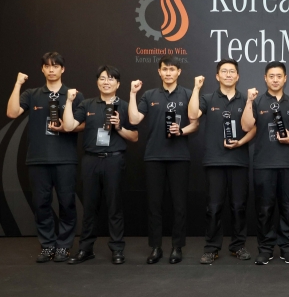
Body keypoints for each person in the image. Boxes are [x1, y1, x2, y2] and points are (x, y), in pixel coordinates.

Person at [6, 52, 84, 263]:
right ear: (42, 69)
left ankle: (64, 246)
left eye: (55, 66)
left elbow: (83, 123)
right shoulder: (32, 93)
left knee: (67, 203)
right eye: (47, 66)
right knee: (41, 203)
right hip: (38, 159)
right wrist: (17, 83)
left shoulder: (73, 94)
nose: (51, 69)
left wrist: (67, 128)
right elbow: (12, 113)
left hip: (65, 158)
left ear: (62, 69)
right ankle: (48, 245)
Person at [63, 66, 138, 264]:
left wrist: (119, 127)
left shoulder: (124, 105)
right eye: (103, 78)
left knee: (115, 206)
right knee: (89, 207)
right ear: (97, 82)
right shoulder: (87, 104)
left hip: (114, 159)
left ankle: (117, 250)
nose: (106, 82)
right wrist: (69, 102)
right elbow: (69, 126)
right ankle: (85, 249)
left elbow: (135, 137)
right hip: (90, 160)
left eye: (111, 79)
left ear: (118, 84)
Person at [128, 54, 199, 264]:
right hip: (153, 156)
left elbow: (195, 122)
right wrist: (133, 94)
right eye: (164, 69)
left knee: (179, 205)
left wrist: (182, 130)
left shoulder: (187, 93)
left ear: (179, 72)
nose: (168, 73)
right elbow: (133, 119)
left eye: (172, 69)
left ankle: (177, 247)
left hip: (179, 157)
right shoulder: (149, 95)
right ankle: (156, 247)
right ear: (159, 72)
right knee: (154, 205)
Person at [188, 59, 256, 264]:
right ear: (217, 76)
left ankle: (238, 246)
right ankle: (211, 247)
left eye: (232, 71)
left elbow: (252, 127)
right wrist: (196, 88)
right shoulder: (208, 98)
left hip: (239, 161)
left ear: (238, 76)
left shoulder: (246, 98)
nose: (228, 74)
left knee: (239, 206)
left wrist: (240, 143)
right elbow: (192, 115)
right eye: (224, 71)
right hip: (214, 161)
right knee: (214, 207)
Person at [241, 61, 289, 265]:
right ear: (265, 78)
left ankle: (287, 248)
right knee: (264, 209)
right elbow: (246, 126)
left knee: (288, 208)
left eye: (279, 76)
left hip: (287, 163)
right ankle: (266, 248)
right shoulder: (257, 101)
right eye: (271, 76)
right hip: (263, 163)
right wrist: (249, 102)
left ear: (285, 78)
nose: (275, 79)